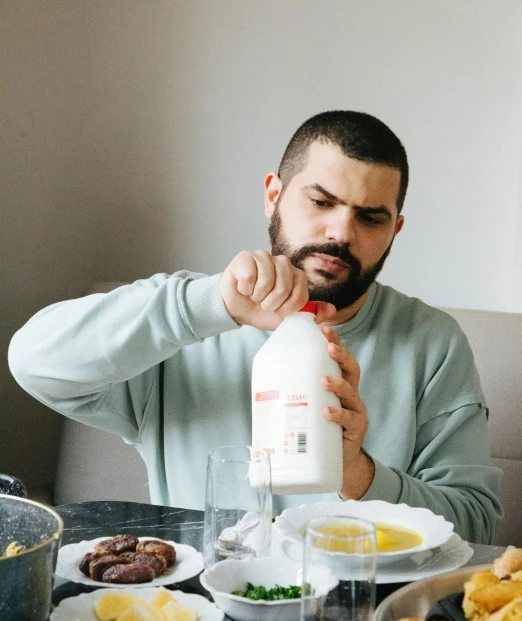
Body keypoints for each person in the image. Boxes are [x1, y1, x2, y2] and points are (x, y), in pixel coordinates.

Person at [8, 110, 502, 543]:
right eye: (321, 202)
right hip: (201, 616)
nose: (341, 233)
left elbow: (476, 526)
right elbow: (34, 363)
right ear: (274, 195)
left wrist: (357, 472)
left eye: (370, 218)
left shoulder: (432, 343)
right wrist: (213, 306)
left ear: (394, 230)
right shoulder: (187, 320)